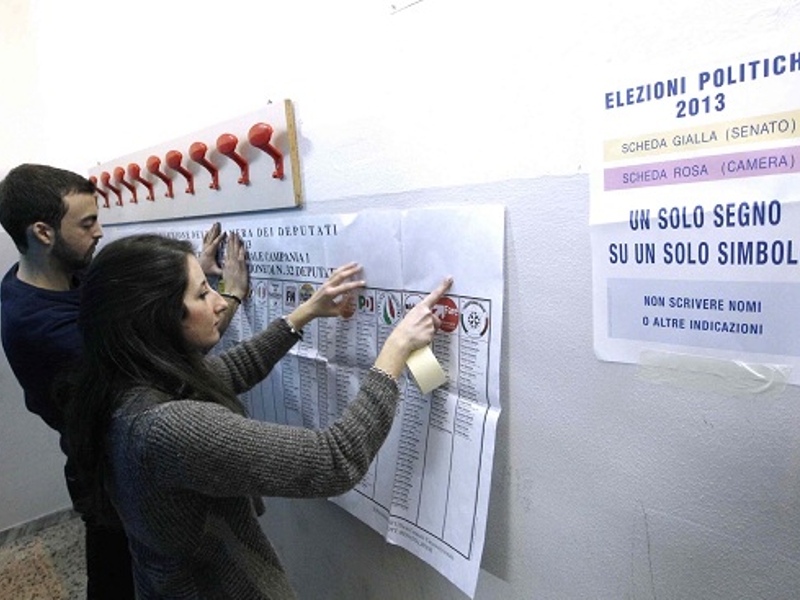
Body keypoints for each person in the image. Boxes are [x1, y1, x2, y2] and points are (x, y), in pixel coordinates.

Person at [62, 233, 452, 599]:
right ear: (158, 318)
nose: (220, 302)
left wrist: (304, 314)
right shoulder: (162, 428)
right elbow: (334, 460)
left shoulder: (126, 382)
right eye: (202, 294)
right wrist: (396, 351)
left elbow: (233, 368)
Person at [0, 163, 248, 598]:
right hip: (106, 470)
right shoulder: (42, 327)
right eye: (88, 222)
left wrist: (183, 281)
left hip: (104, 454)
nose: (99, 231)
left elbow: (121, 308)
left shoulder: (52, 277)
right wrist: (228, 295)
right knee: (117, 575)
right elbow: (169, 363)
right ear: (43, 232)